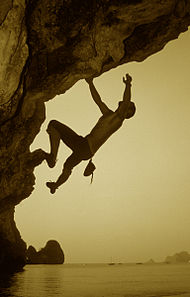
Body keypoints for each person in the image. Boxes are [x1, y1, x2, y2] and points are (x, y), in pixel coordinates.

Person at [45, 74, 136, 194]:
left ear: (127, 112)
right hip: (85, 149)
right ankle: (55, 185)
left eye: (128, 106)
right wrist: (90, 83)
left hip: (85, 146)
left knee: (53, 124)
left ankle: (52, 158)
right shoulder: (108, 114)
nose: (125, 104)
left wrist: (128, 85)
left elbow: (125, 102)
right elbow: (98, 101)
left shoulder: (118, 119)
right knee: (67, 166)